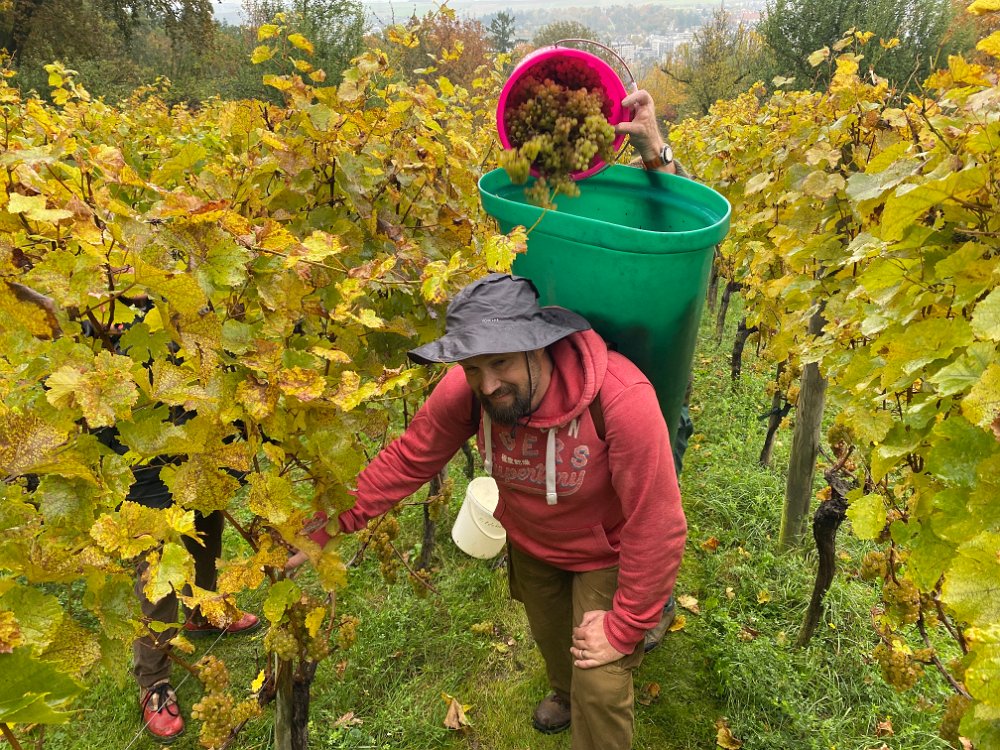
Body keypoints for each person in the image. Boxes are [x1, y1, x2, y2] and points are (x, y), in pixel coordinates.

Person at [308, 269, 686, 749]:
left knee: (602, 679)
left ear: (538, 345)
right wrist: (326, 524)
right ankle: (564, 692)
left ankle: (590, 706)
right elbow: (409, 457)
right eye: (471, 368)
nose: (486, 386)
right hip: (532, 545)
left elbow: (656, 522)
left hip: (604, 552)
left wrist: (625, 626)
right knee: (552, 638)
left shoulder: (621, 397)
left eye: (501, 362)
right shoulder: (468, 390)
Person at [89, 309, 260, 742]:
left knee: (207, 526)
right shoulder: (96, 298)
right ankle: (154, 680)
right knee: (157, 565)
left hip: (195, 421)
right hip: (136, 442)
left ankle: (202, 611)